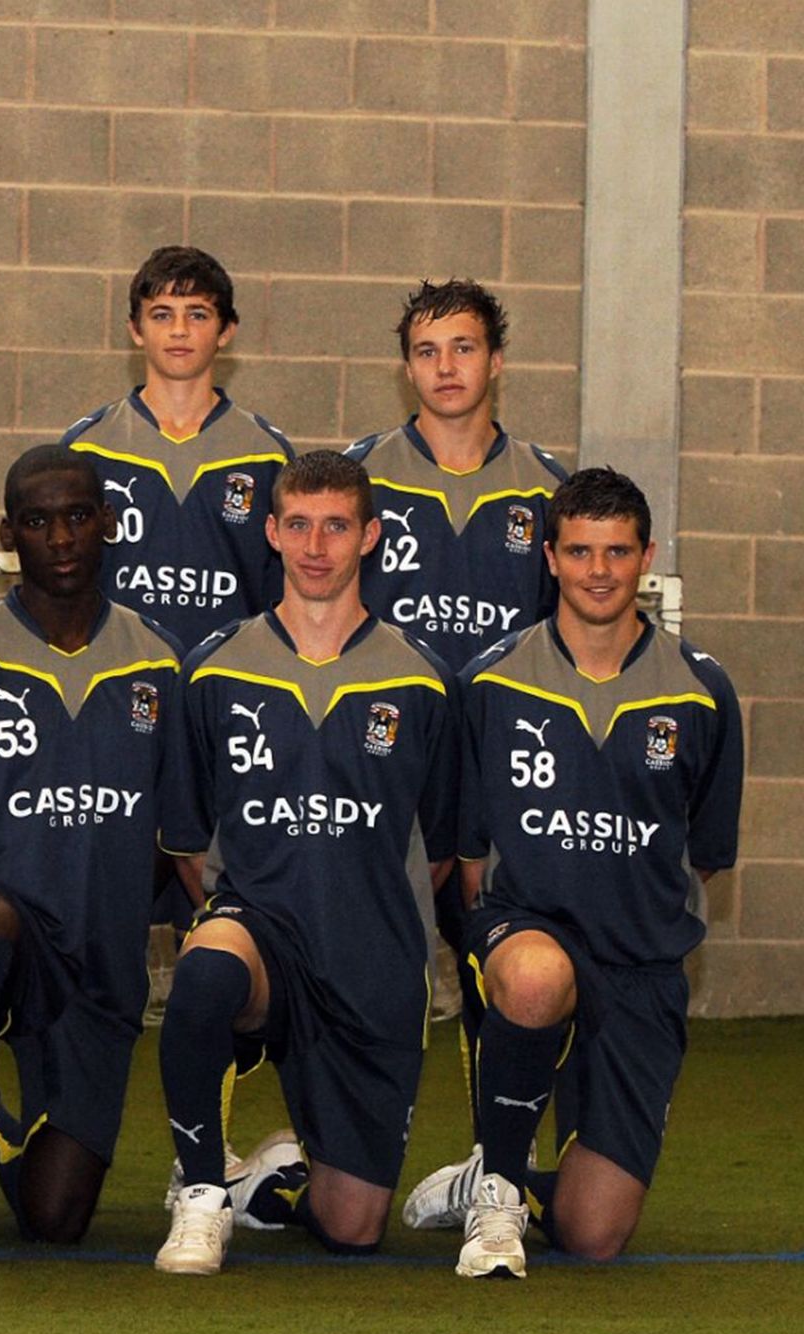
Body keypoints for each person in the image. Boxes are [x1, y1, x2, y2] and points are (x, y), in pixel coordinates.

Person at [398, 469, 740, 1277]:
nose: (598, 570)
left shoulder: (702, 691)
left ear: (645, 558)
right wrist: (504, 945)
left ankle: (499, 1176)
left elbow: (706, 855)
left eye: (617, 551)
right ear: (549, 557)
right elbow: (470, 859)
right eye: (580, 550)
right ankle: (500, 1200)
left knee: (594, 1234)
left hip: (642, 965)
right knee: (536, 976)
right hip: (531, 931)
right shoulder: (489, 681)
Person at [151, 449, 458, 1275]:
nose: (316, 546)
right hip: (266, 940)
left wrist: (364, 913)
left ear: (371, 538)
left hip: (371, 964)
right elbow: (187, 845)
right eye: (299, 525)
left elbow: (439, 849)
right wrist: (238, 915)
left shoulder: (424, 679)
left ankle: (275, 1177)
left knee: (352, 1228)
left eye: (336, 527)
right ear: (272, 532)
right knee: (208, 969)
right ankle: (204, 1191)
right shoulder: (215, 667)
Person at [0, 446, 183, 1270]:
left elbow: (176, 835)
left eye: (78, 516)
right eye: (39, 520)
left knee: (56, 1219)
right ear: (10, 534)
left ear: (109, 525)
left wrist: (115, 903)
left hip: (98, 965)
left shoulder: (159, 663)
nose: (60, 536)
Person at [345, 277, 569, 1070]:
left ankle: (494, 1161)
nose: (445, 368)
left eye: (463, 348)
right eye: (427, 352)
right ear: (407, 368)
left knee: (496, 955)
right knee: (354, 958)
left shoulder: (548, 491)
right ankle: (343, 1150)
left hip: (498, 762)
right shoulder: (357, 477)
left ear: (496, 361)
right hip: (386, 755)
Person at [63, 246, 293, 652]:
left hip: (229, 681)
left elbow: (287, 598)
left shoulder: (267, 455)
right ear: (135, 329)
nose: (180, 330)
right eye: (162, 314)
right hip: (116, 678)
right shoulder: (87, 449)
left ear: (227, 331)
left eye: (198, 314)